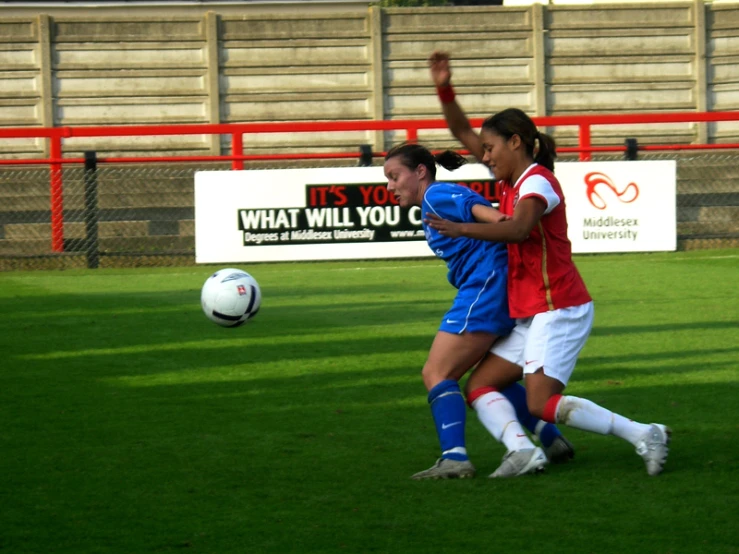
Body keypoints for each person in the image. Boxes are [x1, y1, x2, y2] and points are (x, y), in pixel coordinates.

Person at [425, 51, 671, 477]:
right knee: (481, 386)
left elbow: (520, 229)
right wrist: (444, 89)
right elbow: (463, 131)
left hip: (559, 307)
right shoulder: (510, 179)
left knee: (540, 403)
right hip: (533, 311)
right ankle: (524, 451)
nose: (483, 155)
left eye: (490, 148)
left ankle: (644, 433)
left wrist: (461, 229)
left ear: (515, 142)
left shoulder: (537, 180)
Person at [383, 143, 573, 480]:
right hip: (494, 289)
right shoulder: (436, 198)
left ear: (420, 172)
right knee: (486, 381)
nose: (390, 186)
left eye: (394, 176)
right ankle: (548, 435)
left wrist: (500, 222)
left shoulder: (436, 195)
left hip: (485, 289)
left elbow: (489, 214)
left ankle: (455, 458)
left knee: (436, 373)